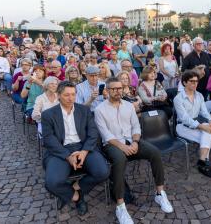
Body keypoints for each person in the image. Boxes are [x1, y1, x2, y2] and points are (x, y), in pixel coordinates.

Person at [95, 77, 173, 224]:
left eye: (119, 88)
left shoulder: (129, 106)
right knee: (119, 159)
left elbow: (136, 127)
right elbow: (106, 134)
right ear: (107, 90)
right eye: (113, 89)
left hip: (132, 141)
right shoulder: (100, 110)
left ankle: (160, 193)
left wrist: (136, 142)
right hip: (112, 145)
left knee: (154, 152)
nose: (117, 91)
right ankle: (120, 205)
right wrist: (123, 147)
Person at [42, 81, 109, 216]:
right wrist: (67, 156)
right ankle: (77, 197)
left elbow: (93, 133)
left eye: (73, 94)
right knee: (52, 183)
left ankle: (75, 188)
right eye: (66, 95)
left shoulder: (84, 110)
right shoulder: (48, 114)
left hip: (83, 147)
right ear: (58, 95)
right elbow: (49, 140)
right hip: (60, 150)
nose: (70, 98)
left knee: (103, 172)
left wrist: (84, 152)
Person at [174, 70, 211, 178]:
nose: (195, 84)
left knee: (207, 132)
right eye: (192, 81)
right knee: (207, 134)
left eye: (196, 81)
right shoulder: (178, 99)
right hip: (182, 127)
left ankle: (202, 161)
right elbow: (185, 119)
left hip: (196, 123)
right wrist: (202, 126)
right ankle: (204, 164)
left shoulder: (199, 95)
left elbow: (204, 112)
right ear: (184, 82)